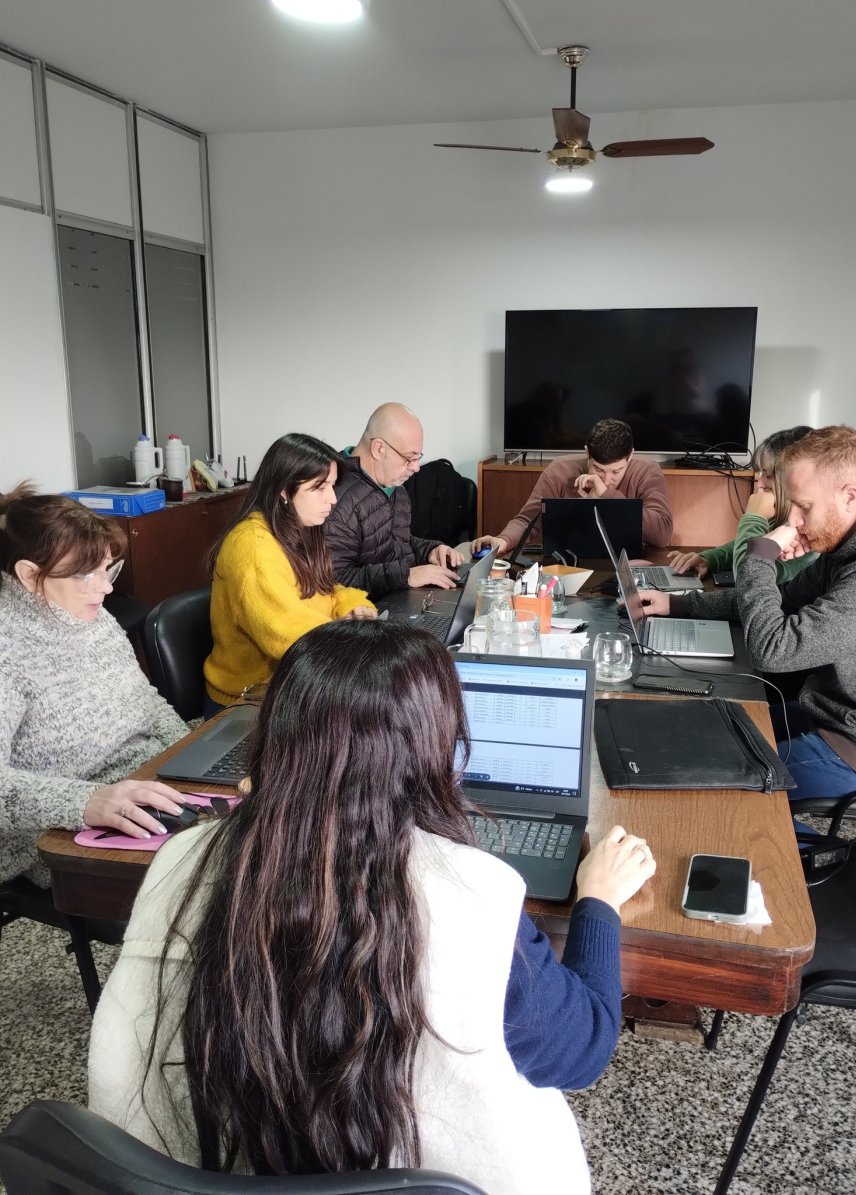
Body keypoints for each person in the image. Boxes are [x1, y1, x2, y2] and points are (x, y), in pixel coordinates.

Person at [89, 620, 656, 1194]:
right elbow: (582, 1050)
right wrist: (599, 902)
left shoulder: (181, 858)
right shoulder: (472, 891)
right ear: (437, 746)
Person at [636, 426, 856, 801]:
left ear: (850, 497)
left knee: (726, 792)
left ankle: (835, 854)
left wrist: (760, 558)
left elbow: (773, 651)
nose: (792, 520)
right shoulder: (852, 543)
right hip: (831, 714)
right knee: (707, 736)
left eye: (804, 507)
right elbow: (784, 600)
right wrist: (677, 603)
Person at [0, 484, 189, 889]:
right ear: (30, 575)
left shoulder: (90, 613)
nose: (105, 588)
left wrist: (186, 758)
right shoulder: (7, 648)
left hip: (141, 782)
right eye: (87, 575)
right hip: (57, 826)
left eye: (108, 569)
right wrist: (85, 803)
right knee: (218, 880)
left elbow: (145, 700)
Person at [204, 433, 376, 714]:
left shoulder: (298, 529)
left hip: (292, 687)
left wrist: (353, 607)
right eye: (320, 487)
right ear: (283, 490)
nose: (332, 499)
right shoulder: (252, 546)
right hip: (246, 704)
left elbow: (326, 589)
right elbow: (287, 634)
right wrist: (358, 643)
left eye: (332, 486)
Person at [473, 418, 673, 557]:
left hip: (628, 563)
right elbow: (528, 519)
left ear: (631, 456)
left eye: (616, 471)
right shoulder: (560, 470)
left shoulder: (647, 470)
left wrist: (605, 495)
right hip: (568, 563)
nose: (607, 478)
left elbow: (662, 534)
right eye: (599, 469)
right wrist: (503, 540)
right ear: (587, 453)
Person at [325, 403, 465, 599]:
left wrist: (430, 551)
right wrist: (404, 576)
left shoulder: (395, 486)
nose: (416, 468)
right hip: (368, 616)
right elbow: (335, 581)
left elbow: (396, 542)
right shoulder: (335, 498)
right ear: (379, 448)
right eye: (409, 458)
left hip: (400, 600)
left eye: (418, 457)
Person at [667, 426, 817, 582]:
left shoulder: (809, 543)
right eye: (760, 475)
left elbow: (748, 579)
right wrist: (708, 559)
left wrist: (753, 517)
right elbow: (751, 547)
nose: (760, 484)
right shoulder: (783, 519)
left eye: (769, 476)